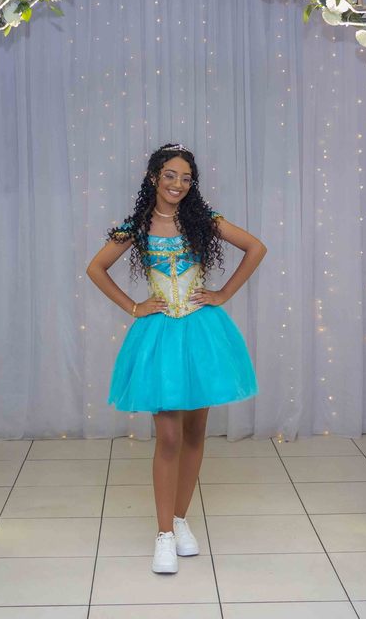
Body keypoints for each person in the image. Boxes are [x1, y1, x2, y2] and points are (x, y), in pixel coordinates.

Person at [86, 143, 265, 574]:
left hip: (202, 335)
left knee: (196, 433)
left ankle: (181, 520)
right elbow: (95, 268)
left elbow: (256, 248)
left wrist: (223, 294)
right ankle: (163, 534)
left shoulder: (204, 220)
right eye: (170, 175)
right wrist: (134, 306)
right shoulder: (136, 226)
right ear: (154, 177)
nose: (178, 184)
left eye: (186, 178)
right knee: (168, 437)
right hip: (161, 336)